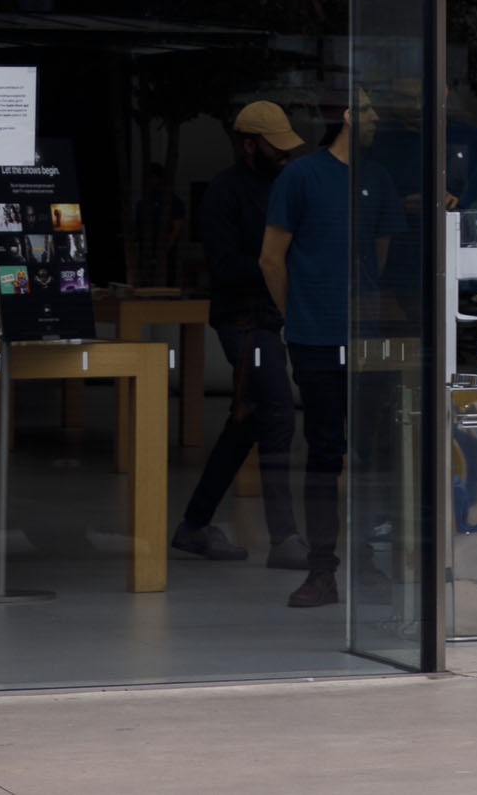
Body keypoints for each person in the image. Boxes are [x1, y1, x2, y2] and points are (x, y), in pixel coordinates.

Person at [177, 99, 308, 570]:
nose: (286, 155)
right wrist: (279, 268)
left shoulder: (288, 185)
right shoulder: (223, 193)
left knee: (247, 422)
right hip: (243, 322)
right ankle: (285, 538)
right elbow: (225, 268)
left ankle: (194, 526)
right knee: (276, 414)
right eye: (277, 148)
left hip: (269, 319)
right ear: (249, 145)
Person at [262, 94, 368, 610]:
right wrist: (296, 314)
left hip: (363, 334)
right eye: (372, 111)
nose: (378, 121)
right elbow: (270, 259)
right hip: (319, 335)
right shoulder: (302, 176)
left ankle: (358, 569)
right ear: (348, 114)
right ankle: (324, 569)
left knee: (369, 454)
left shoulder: (382, 178)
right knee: (329, 454)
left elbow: (387, 250)